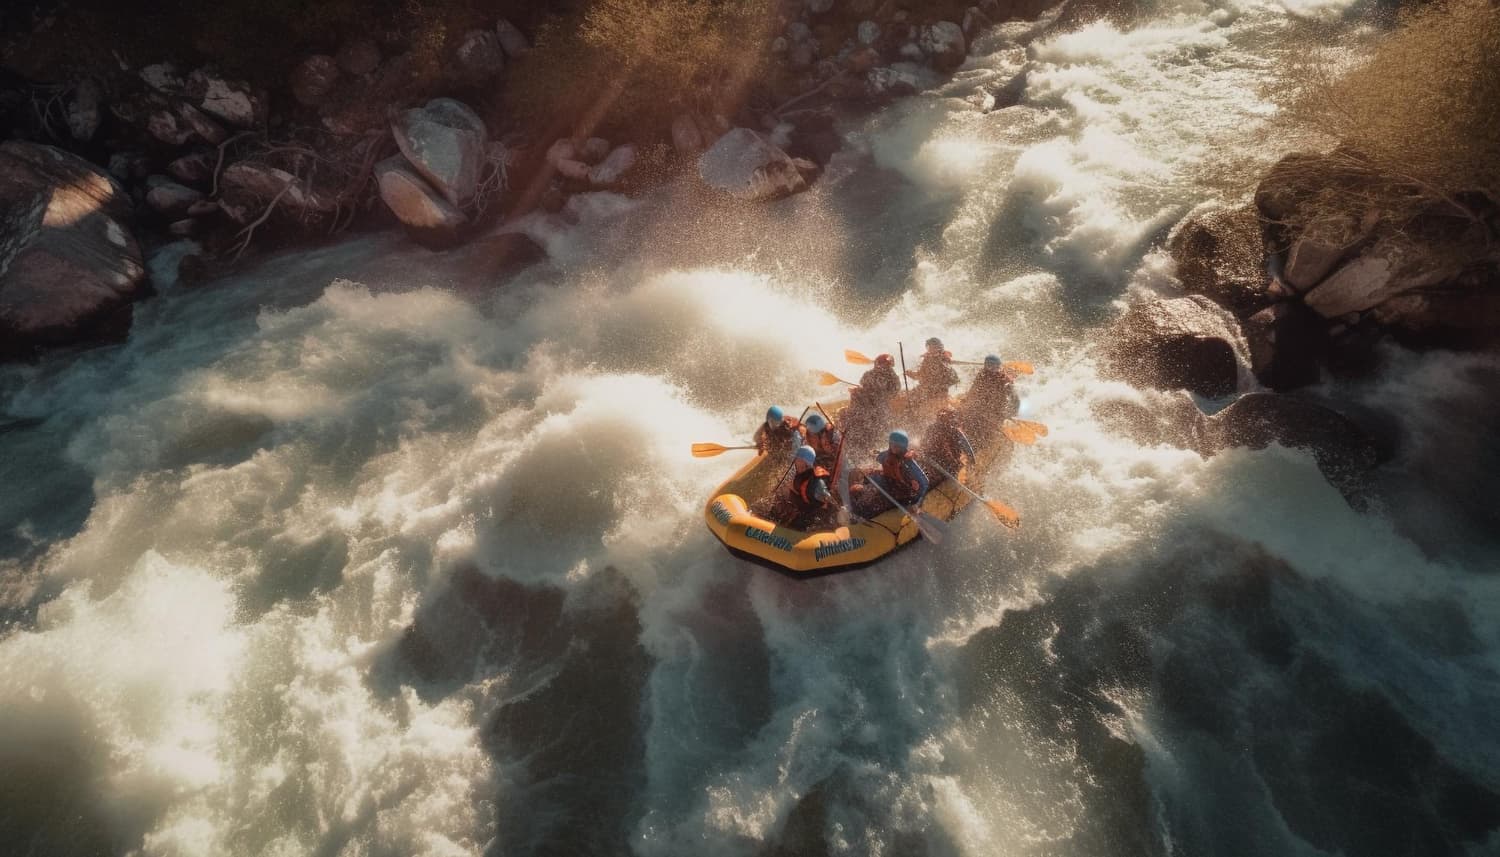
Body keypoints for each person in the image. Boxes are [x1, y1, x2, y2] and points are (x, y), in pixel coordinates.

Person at [851, 429, 929, 518]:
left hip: (900, 493)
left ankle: (868, 513)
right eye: (892, 444)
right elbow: (887, 469)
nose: (894, 447)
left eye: (897, 446)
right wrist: (876, 471)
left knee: (859, 491)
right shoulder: (885, 456)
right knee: (855, 487)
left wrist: (916, 500)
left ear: (903, 447)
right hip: (888, 484)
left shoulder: (907, 462)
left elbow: (924, 483)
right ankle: (857, 509)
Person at [961, 354, 1019, 435]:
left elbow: (1015, 399)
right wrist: (966, 402)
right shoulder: (981, 376)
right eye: (990, 366)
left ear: (999, 368)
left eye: (995, 367)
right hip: (980, 410)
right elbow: (973, 392)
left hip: (995, 413)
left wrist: (1011, 414)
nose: (992, 370)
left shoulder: (1004, 381)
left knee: (987, 432)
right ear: (985, 366)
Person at [784, 445, 837, 529]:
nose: (795, 462)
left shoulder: (816, 483)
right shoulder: (802, 476)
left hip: (817, 517)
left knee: (793, 526)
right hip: (806, 509)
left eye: (798, 459)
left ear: (805, 463)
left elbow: (828, 501)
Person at [921, 407, 977, 477]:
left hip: (941, 461)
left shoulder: (953, 430)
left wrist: (971, 462)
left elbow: (967, 448)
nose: (953, 421)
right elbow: (967, 449)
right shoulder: (936, 429)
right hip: (938, 461)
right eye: (952, 418)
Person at [909, 337, 959, 406]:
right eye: (929, 347)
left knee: (914, 398)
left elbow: (920, 376)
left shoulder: (943, 358)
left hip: (936, 390)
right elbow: (921, 375)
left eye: (932, 347)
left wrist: (909, 374)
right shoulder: (929, 358)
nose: (930, 349)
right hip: (936, 389)